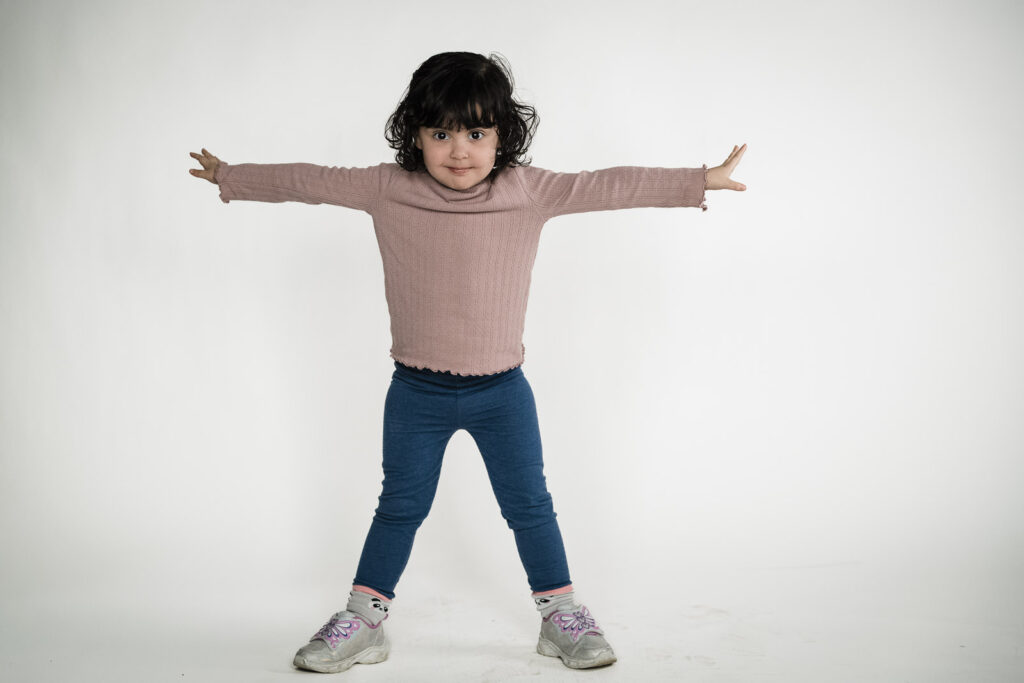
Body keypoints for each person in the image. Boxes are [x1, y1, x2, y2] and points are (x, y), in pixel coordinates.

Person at [189, 51, 747, 674]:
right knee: (399, 505)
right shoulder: (387, 188)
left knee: (529, 505)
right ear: (415, 135)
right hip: (415, 393)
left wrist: (700, 179)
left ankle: (560, 615)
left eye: (477, 133)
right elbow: (311, 181)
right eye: (441, 133)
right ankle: (364, 619)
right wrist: (231, 176)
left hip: (502, 392)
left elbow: (609, 184)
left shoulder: (528, 191)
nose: (460, 150)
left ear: (504, 136)